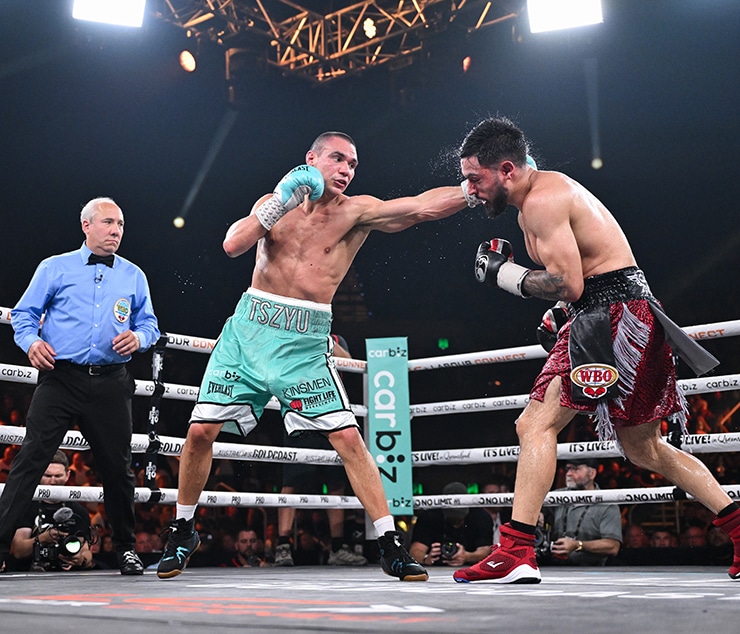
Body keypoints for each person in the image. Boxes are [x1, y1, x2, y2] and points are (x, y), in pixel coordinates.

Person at [451, 116, 740, 583]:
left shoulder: (543, 201)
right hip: (626, 310)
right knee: (644, 447)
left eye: (474, 178)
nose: (470, 189)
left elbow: (569, 282)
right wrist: (564, 314)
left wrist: (505, 275)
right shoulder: (544, 195)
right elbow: (589, 278)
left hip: (612, 317)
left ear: (506, 169)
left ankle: (517, 550)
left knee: (535, 423)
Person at [157, 131, 471, 581]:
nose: (347, 170)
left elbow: (419, 207)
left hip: (304, 342)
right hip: (248, 333)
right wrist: (279, 201)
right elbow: (232, 245)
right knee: (201, 431)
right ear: (311, 159)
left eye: (354, 164)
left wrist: (473, 192)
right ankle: (183, 530)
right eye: (338, 160)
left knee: (348, 439)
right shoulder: (275, 202)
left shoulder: (356, 211)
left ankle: (390, 543)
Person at [0, 197, 160, 575]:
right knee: (30, 459)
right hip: (61, 377)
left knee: (118, 468)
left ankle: (125, 548)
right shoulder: (55, 267)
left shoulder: (134, 275)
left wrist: (139, 338)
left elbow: (150, 324)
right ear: (86, 225)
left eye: (120, 224)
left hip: (111, 381)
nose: (116, 231)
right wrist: (31, 342)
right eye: (108, 223)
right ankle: (1, 545)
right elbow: (24, 314)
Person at [274, 334, 368, 567]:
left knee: (336, 483)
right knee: (292, 481)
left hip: (331, 413)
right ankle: (283, 546)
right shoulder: (293, 336)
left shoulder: (335, 339)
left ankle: (337, 547)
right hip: (300, 412)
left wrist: (325, 340)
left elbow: (349, 362)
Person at [7, 451, 94, 571]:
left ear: (67, 475)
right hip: (29, 575)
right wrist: (44, 538)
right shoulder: (26, 507)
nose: (53, 481)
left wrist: (80, 559)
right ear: (39, 475)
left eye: (58, 476)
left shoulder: (78, 510)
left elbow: (86, 552)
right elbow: (18, 550)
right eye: (47, 476)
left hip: (69, 578)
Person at [542, 459, 622, 566]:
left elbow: (613, 546)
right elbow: (533, 508)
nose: (569, 473)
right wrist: (539, 513)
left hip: (592, 571)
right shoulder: (557, 496)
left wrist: (578, 545)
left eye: (575, 469)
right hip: (555, 566)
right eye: (568, 469)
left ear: (592, 474)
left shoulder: (606, 504)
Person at [408, 482, 494, 568]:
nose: (455, 520)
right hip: (435, 568)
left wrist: (467, 556)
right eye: (452, 517)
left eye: (459, 517)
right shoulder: (429, 517)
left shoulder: (480, 517)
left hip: (470, 568)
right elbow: (416, 550)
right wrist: (426, 558)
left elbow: (485, 550)